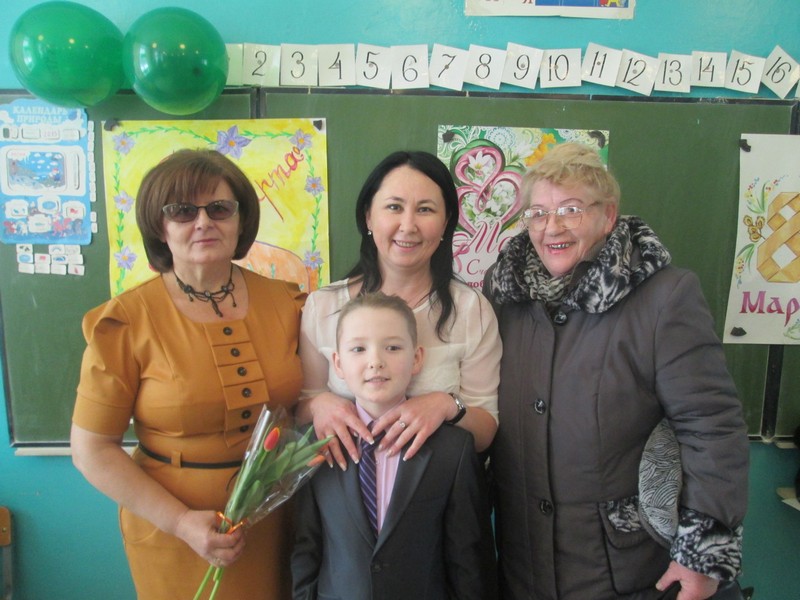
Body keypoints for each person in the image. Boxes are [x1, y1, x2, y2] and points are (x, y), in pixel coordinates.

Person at [483, 142, 749, 600]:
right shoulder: (503, 299)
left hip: (631, 572)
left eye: (571, 210)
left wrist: (701, 554)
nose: (552, 227)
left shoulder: (665, 298)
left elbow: (712, 425)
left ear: (608, 216)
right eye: (538, 213)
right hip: (522, 569)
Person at [70, 149, 305, 599]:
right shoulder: (126, 321)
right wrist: (179, 522)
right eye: (182, 211)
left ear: (240, 220)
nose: (203, 222)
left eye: (219, 208)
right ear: (159, 226)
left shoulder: (288, 302)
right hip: (172, 531)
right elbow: (91, 449)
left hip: (274, 522)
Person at [297, 150, 501, 469]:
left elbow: (485, 432)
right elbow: (299, 410)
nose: (408, 226)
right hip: (343, 488)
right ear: (368, 216)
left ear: (446, 222)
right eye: (394, 207)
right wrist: (319, 404)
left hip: (437, 488)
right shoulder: (322, 307)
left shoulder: (471, 310)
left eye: (425, 209)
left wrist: (446, 406)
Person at [291, 292, 498, 600]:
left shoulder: (452, 449)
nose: (376, 361)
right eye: (358, 349)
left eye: (393, 347)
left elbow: (466, 558)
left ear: (417, 358)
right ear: (338, 363)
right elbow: (306, 549)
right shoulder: (315, 446)